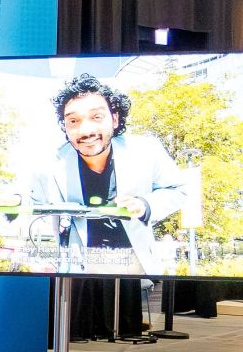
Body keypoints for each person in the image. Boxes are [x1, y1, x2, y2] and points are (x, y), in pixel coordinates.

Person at [28, 73, 187, 276]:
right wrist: (12, 200)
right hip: (78, 273)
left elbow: (179, 190)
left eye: (96, 117)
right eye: (73, 120)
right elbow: (30, 201)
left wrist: (145, 205)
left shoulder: (147, 150)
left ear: (114, 119)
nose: (85, 130)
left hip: (135, 266)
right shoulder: (49, 163)